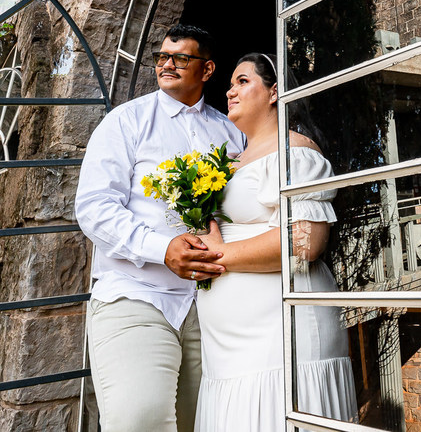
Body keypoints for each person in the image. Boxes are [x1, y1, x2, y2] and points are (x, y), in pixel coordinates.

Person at [75, 24, 244, 432]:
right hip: (136, 295)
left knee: (205, 421)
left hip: (211, 306)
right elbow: (94, 208)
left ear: (206, 70)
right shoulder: (126, 122)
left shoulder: (231, 132)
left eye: (180, 58)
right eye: (161, 58)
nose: (166, 65)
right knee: (139, 420)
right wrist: (161, 248)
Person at [195, 53, 357, 431]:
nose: (229, 90)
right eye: (231, 83)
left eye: (242, 81)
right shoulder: (229, 163)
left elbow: (305, 243)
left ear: (275, 92)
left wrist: (219, 254)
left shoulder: (295, 152)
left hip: (281, 332)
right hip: (227, 346)